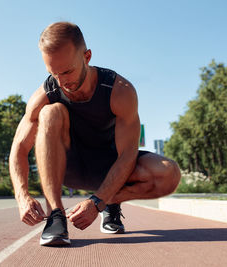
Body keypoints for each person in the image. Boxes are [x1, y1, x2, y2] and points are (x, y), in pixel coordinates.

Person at [9, 21, 181, 246]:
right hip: (68, 166)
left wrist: (98, 201)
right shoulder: (45, 95)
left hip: (112, 167)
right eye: (54, 73)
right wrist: (22, 197)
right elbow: (18, 150)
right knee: (50, 112)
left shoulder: (120, 91)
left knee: (169, 173)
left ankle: (110, 203)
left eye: (68, 71)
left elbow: (128, 155)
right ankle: (56, 216)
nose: (62, 82)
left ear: (87, 56)